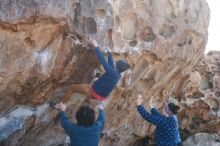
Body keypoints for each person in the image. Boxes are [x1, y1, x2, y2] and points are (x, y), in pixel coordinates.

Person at [57, 39, 130, 103]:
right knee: (96, 76)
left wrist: (96, 46)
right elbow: (111, 65)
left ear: (117, 66)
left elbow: (103, 61)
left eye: (116, 63)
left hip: (93, 92)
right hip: (99, 96)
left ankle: (60, 105)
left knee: (72, 88)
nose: (115, 62)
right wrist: (109, 53)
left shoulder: (112, 72)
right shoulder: (117, 75)